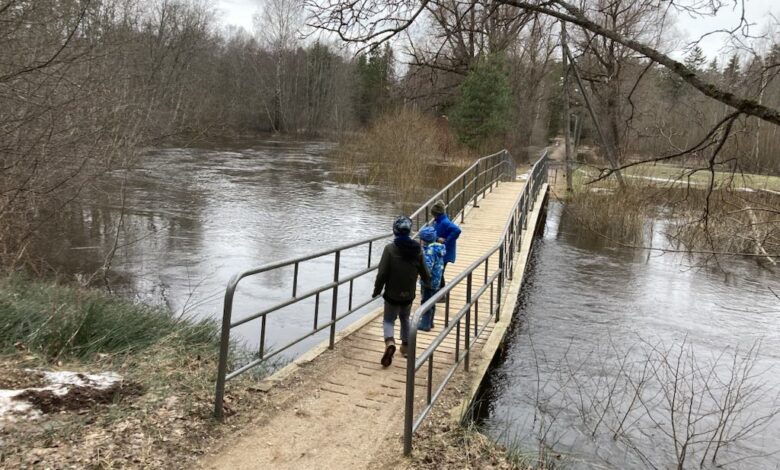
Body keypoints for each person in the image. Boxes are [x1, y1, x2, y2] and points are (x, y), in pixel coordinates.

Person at [372, 216, 431, 367]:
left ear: (395, 231)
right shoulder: (417, 249)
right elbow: (425, 272)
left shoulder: (390, 249)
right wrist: (427, 282)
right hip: (408, 294)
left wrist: (377, 290)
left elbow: (382, 273)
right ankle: (406, 347)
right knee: (405, 318)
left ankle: (390, 342)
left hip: (391, 294)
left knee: (388, 320)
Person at [417, 226, 445, 331]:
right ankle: (430, 321)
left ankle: (425, 324)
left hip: (429, 281)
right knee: (432, 301)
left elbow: (427, 268)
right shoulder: (438, 248)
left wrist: (420, 275)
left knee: (426, 302)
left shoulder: (429, 252)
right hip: (436, 280)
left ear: (424, 241)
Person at [430, 199, 461, 291]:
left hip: (445, 253)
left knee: (440, 272)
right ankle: (439, 291)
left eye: (434, 214)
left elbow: (457, 230)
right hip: (441, 252)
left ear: (437, 214)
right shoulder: (439, 221)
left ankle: (441, 293)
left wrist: (446, 241)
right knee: (439, 271)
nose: (433, 217)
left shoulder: (445, 222)